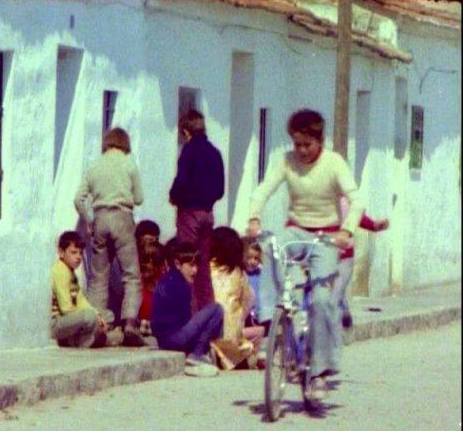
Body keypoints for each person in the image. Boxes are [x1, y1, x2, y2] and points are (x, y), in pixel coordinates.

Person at [247, 108, 364, 400]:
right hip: (296, 231)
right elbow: (263, 189)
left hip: (326, 237)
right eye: (296, 144)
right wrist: (253, 218)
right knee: (271, 244)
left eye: (307, 144)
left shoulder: (334, 163)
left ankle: (321, 372)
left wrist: (347, 231)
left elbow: (357, 200)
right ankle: (269, 318)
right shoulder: (286, 162)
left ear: (319, 141)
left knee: (322, 301)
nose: (301, 150)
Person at [74, 127, 145, 347]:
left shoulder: (94, 165)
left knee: (98, 277)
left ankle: (97, 325)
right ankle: (130, 323)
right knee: (131, 274)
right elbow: (139, 198)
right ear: (125, 144)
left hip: (100, 218)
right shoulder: (129, 164)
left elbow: (78, 199)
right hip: (122, 217)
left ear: (106, 143)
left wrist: (89, 219)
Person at [169, 109, 225, 313]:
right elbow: (220, 189)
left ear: (186, 131)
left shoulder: (189, 150)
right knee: (202, 268)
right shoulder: (215, 152)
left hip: (189, 212)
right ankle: (207, 313)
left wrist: (174, 196)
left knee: (187, 264)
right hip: (207, 214)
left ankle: (188, 314)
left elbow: (181, 181)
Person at [151, 240, 224, 377]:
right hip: (174, 338)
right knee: (216, 309)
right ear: (178, 264)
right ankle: (197, 354)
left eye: (196, 265)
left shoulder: (167, 280)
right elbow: (184, 320)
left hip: (164, 340)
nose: (195, 270)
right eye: (190, 265)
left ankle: (200, 353)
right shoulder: (180, 285)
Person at [209, 227, 265, 370]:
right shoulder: (238, 273)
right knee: (259, 331)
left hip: (209, 334)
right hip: (232, 338)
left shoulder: (206, 269)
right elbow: (250, 299)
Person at [335, 198, 389, 328]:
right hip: (321, 255)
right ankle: (344, 311)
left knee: (334, 294)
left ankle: (331, 336)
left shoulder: (344, 202)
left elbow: (358, 218)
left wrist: (375, 225)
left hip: (344, 257)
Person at [51, 231, 108, 348]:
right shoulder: (60, 271)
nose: (78, 257)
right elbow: (66, 309)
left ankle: (85, 339)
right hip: (55, 324)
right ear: (61, 252)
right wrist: (92, 319)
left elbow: (81, 300)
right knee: (88, 317)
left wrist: (98, 316)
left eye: (80, 253)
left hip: (67, 322)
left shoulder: (70, 272)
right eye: (73, 252)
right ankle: (77, 341)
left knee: (103, 316)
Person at [137, 240, 166, 336]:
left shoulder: (165, 285)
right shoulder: (135, 283)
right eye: (144, 260)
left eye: (152, 261)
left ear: (161, 265)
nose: (146, 264)